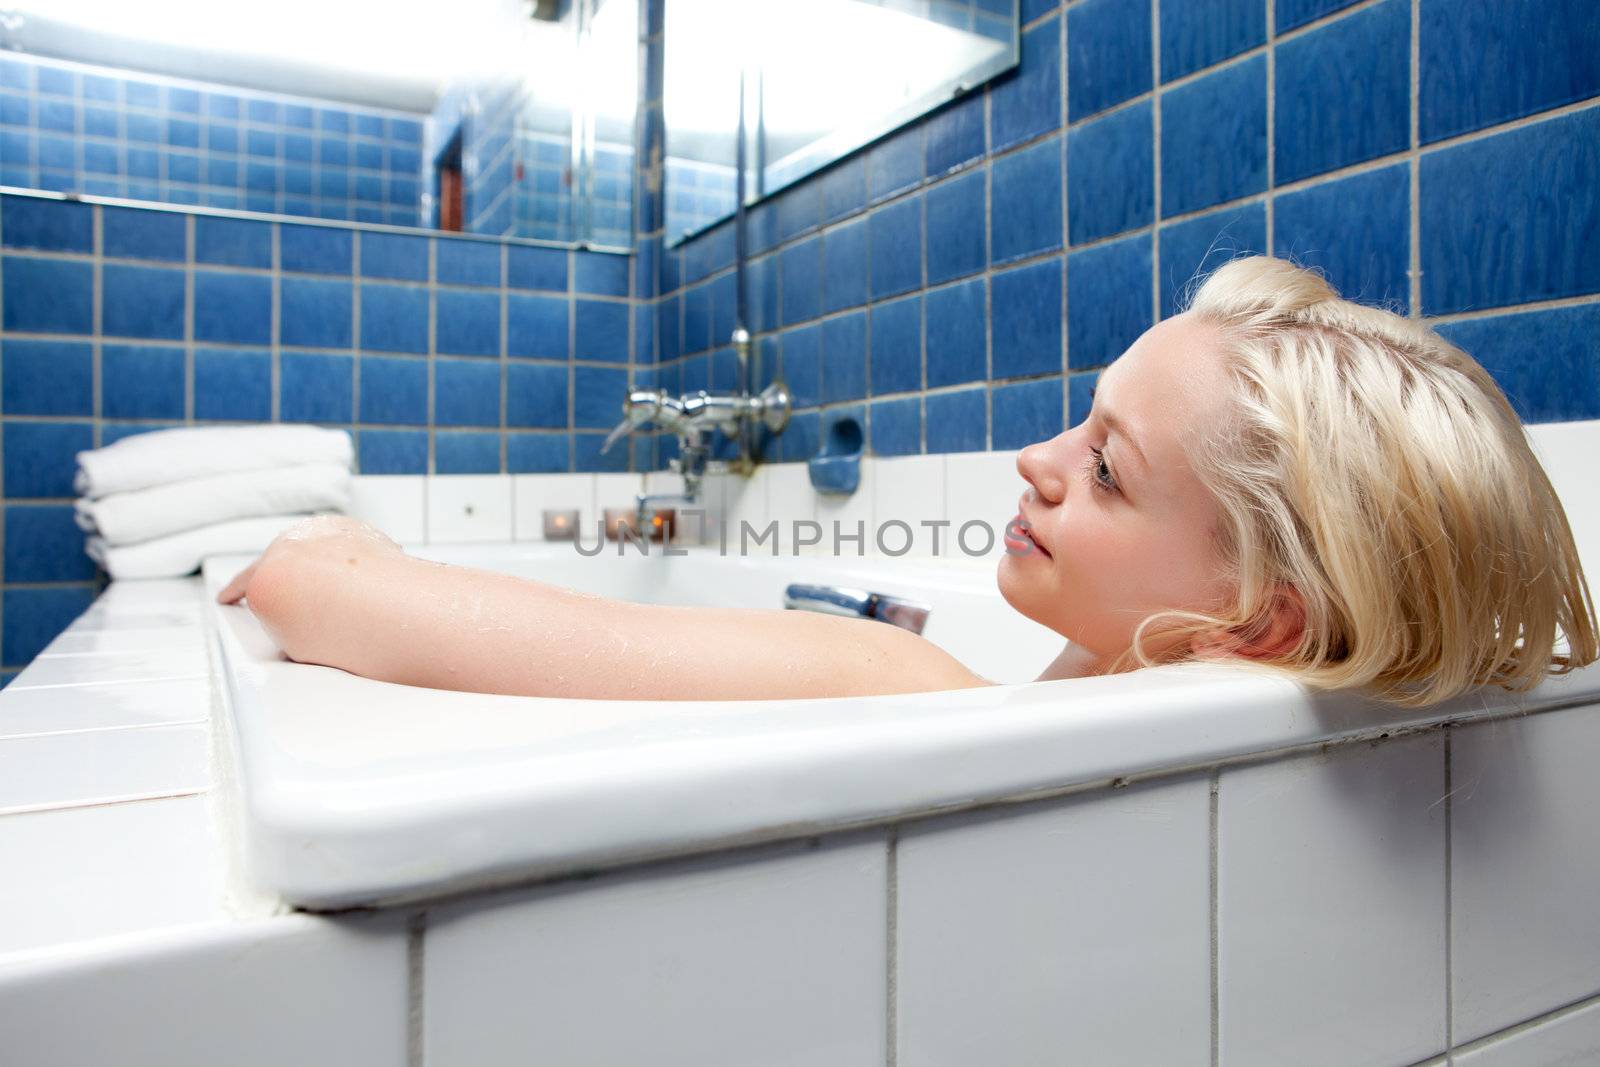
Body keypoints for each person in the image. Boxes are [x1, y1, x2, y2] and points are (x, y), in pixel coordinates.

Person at [217, 256, 1598, 707]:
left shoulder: (921, 694)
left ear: (1261, 622)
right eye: (1079, 425)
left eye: (1104, 469)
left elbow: (311, 596)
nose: (1034, 462)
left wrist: (335, 552)